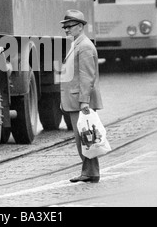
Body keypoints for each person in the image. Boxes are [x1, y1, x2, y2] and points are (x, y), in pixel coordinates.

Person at [59, 10, 104, 183]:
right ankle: (89, 171)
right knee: (85, 138)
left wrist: (84, 101)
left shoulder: (84, 46)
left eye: (69, 26)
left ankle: (90, 172)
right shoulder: (78, 43)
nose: (66, 30)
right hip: (75, 100)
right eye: (65, 27)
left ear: (79, 26)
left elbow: (87, 76)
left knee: (85, 138)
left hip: (80, 101)